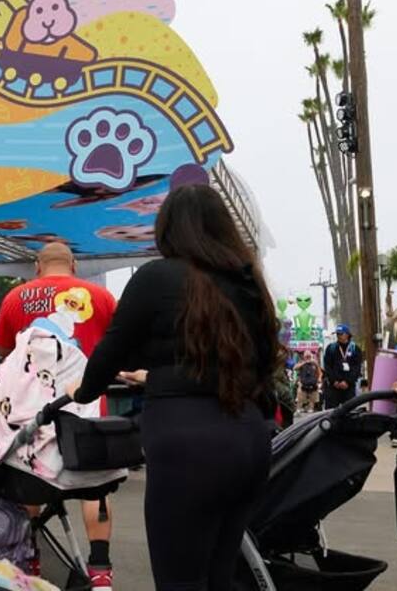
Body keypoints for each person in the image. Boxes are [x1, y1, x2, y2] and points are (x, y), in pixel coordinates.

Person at [68, 184, 281, 591]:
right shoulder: (247, 282)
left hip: (186, 444)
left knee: (180, 580)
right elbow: (261, 357)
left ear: (168, 230)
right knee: (220, 575)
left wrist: (83, 390)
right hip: (249, 441)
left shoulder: (156, 277)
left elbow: (112, 351)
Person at [0, 242, 118, 587]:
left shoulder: (15, 298)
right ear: (74, 265)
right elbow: (118, 344)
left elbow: (5, 351)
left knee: (30, 483)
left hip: (34, 411)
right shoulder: (101, 297)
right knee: (96, 489)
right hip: (90, 410)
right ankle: (101, 572)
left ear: (38, 266)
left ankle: (32, 563)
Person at [321, 324, 362, 410]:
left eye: (341, 334)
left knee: (349, 412)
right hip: (334, 387)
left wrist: (347, 381)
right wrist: (334, 381)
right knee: (331, 412)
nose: (338, 336)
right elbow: (327, 366)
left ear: (347, 334)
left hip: (348, 387)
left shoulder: (355, 349)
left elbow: (357, 368)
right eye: (337, 334)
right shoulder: (331, 348)